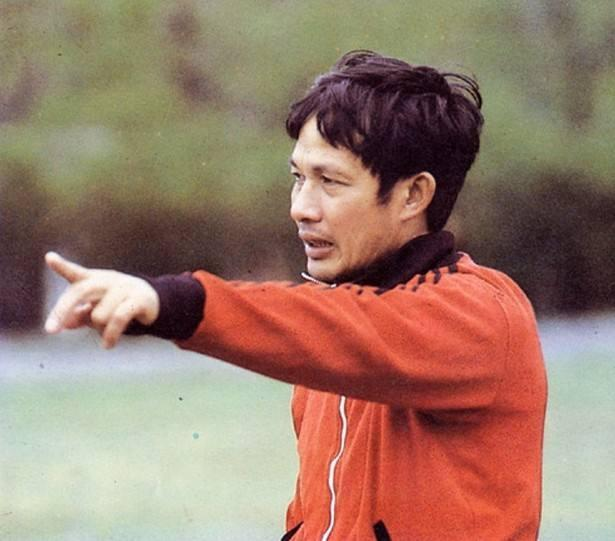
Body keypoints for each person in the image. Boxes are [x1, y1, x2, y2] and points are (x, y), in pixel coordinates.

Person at [45, 50, 547, 540]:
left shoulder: (481, 313)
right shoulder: (332, 329)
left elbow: (346, 328)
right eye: (298, 178)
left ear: (413, 195)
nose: (301, 208)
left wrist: (172, 301)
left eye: (330, 181)